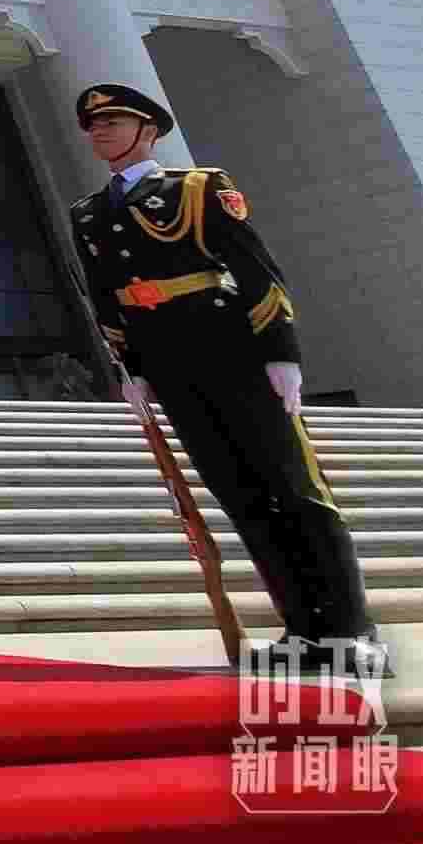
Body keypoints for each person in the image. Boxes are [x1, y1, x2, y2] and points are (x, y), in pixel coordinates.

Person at [69, 83, 384, 676]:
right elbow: (105, 296)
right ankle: (302, 630)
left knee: (297, 491)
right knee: (242, 498)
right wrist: (132, 369)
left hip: (232, 354)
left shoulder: (199, 188)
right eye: (93, 125)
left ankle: (350, 631)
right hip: (170, 367)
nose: (100, 131)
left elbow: (256, 270)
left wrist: (281, 353)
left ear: (148, 131)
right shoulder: (87, 213)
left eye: (114, 120)